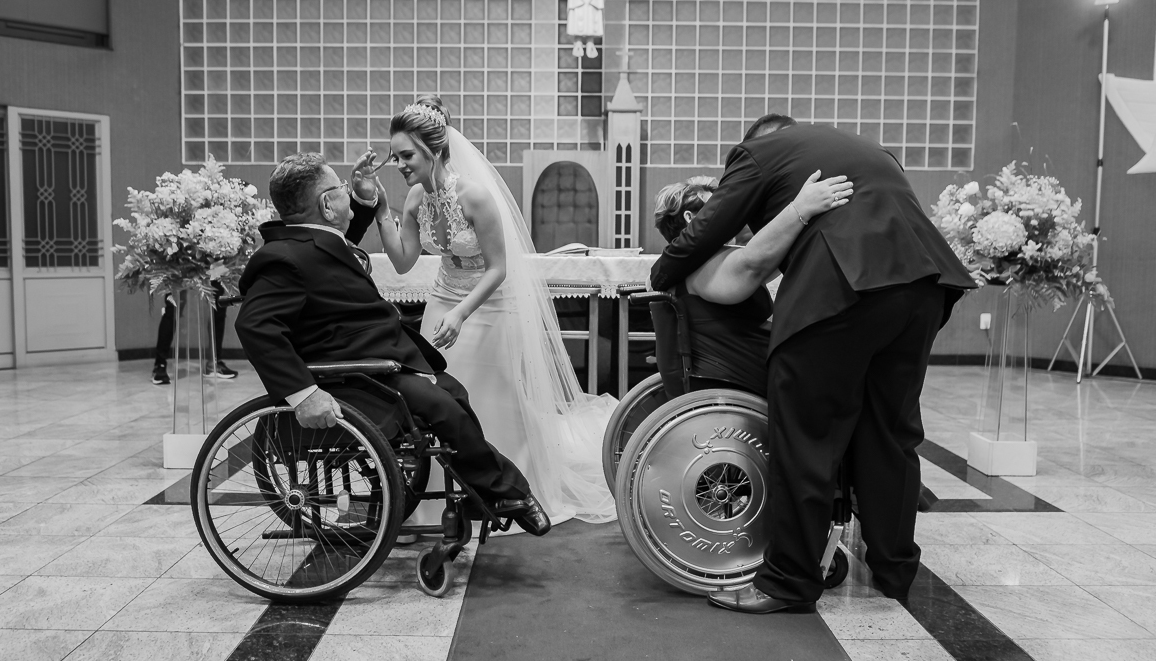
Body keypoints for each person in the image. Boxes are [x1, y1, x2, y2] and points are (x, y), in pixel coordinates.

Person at [650, 116, 976, 614]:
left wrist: (662, 271)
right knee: (892, 433)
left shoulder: (756, 155)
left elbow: (707, 229)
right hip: (925, 285)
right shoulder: (868, 150)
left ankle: (788, 581)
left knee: (805, 436)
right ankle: (894, 570)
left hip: (843, 290)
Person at [233, 151, 551, 536]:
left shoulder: (307, 242)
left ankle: (481, 490)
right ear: (327, 205)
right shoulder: (282, 259)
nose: (346, 192)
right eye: (341, 188)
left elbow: (329, 247)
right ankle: (509, 492)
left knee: (453, 393)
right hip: (354, 376)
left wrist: (362, 199)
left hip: (377, 359)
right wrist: (304, 395)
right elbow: (255, 326)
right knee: (443, 408)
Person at [361, 95, 618, 525]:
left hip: (490, 306)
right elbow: (404, 262)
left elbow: (499, 268)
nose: (400, 165)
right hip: (443, 301)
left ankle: (508, 492)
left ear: (433, 150)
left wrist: (462, 313)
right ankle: (441, 501)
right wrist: (381, 209)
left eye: (407, 156)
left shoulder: (474, 195)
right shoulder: (415, 198)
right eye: (396, 157)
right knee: (441, 402)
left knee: (494, 402)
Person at [651, 172, 852, 396]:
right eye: (715, 211)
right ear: (690, 217)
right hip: (743, 378)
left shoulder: (684, 264)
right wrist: (800, 209)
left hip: (751, 368)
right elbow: (753, 265)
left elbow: (770, 261)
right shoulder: (698, 265)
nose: (728, 217)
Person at [151, 283, 236, 384]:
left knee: (218, 305)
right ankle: (160, 365)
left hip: (211, 273)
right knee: (172, 310)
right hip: (178, 274)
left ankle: (214, 363)